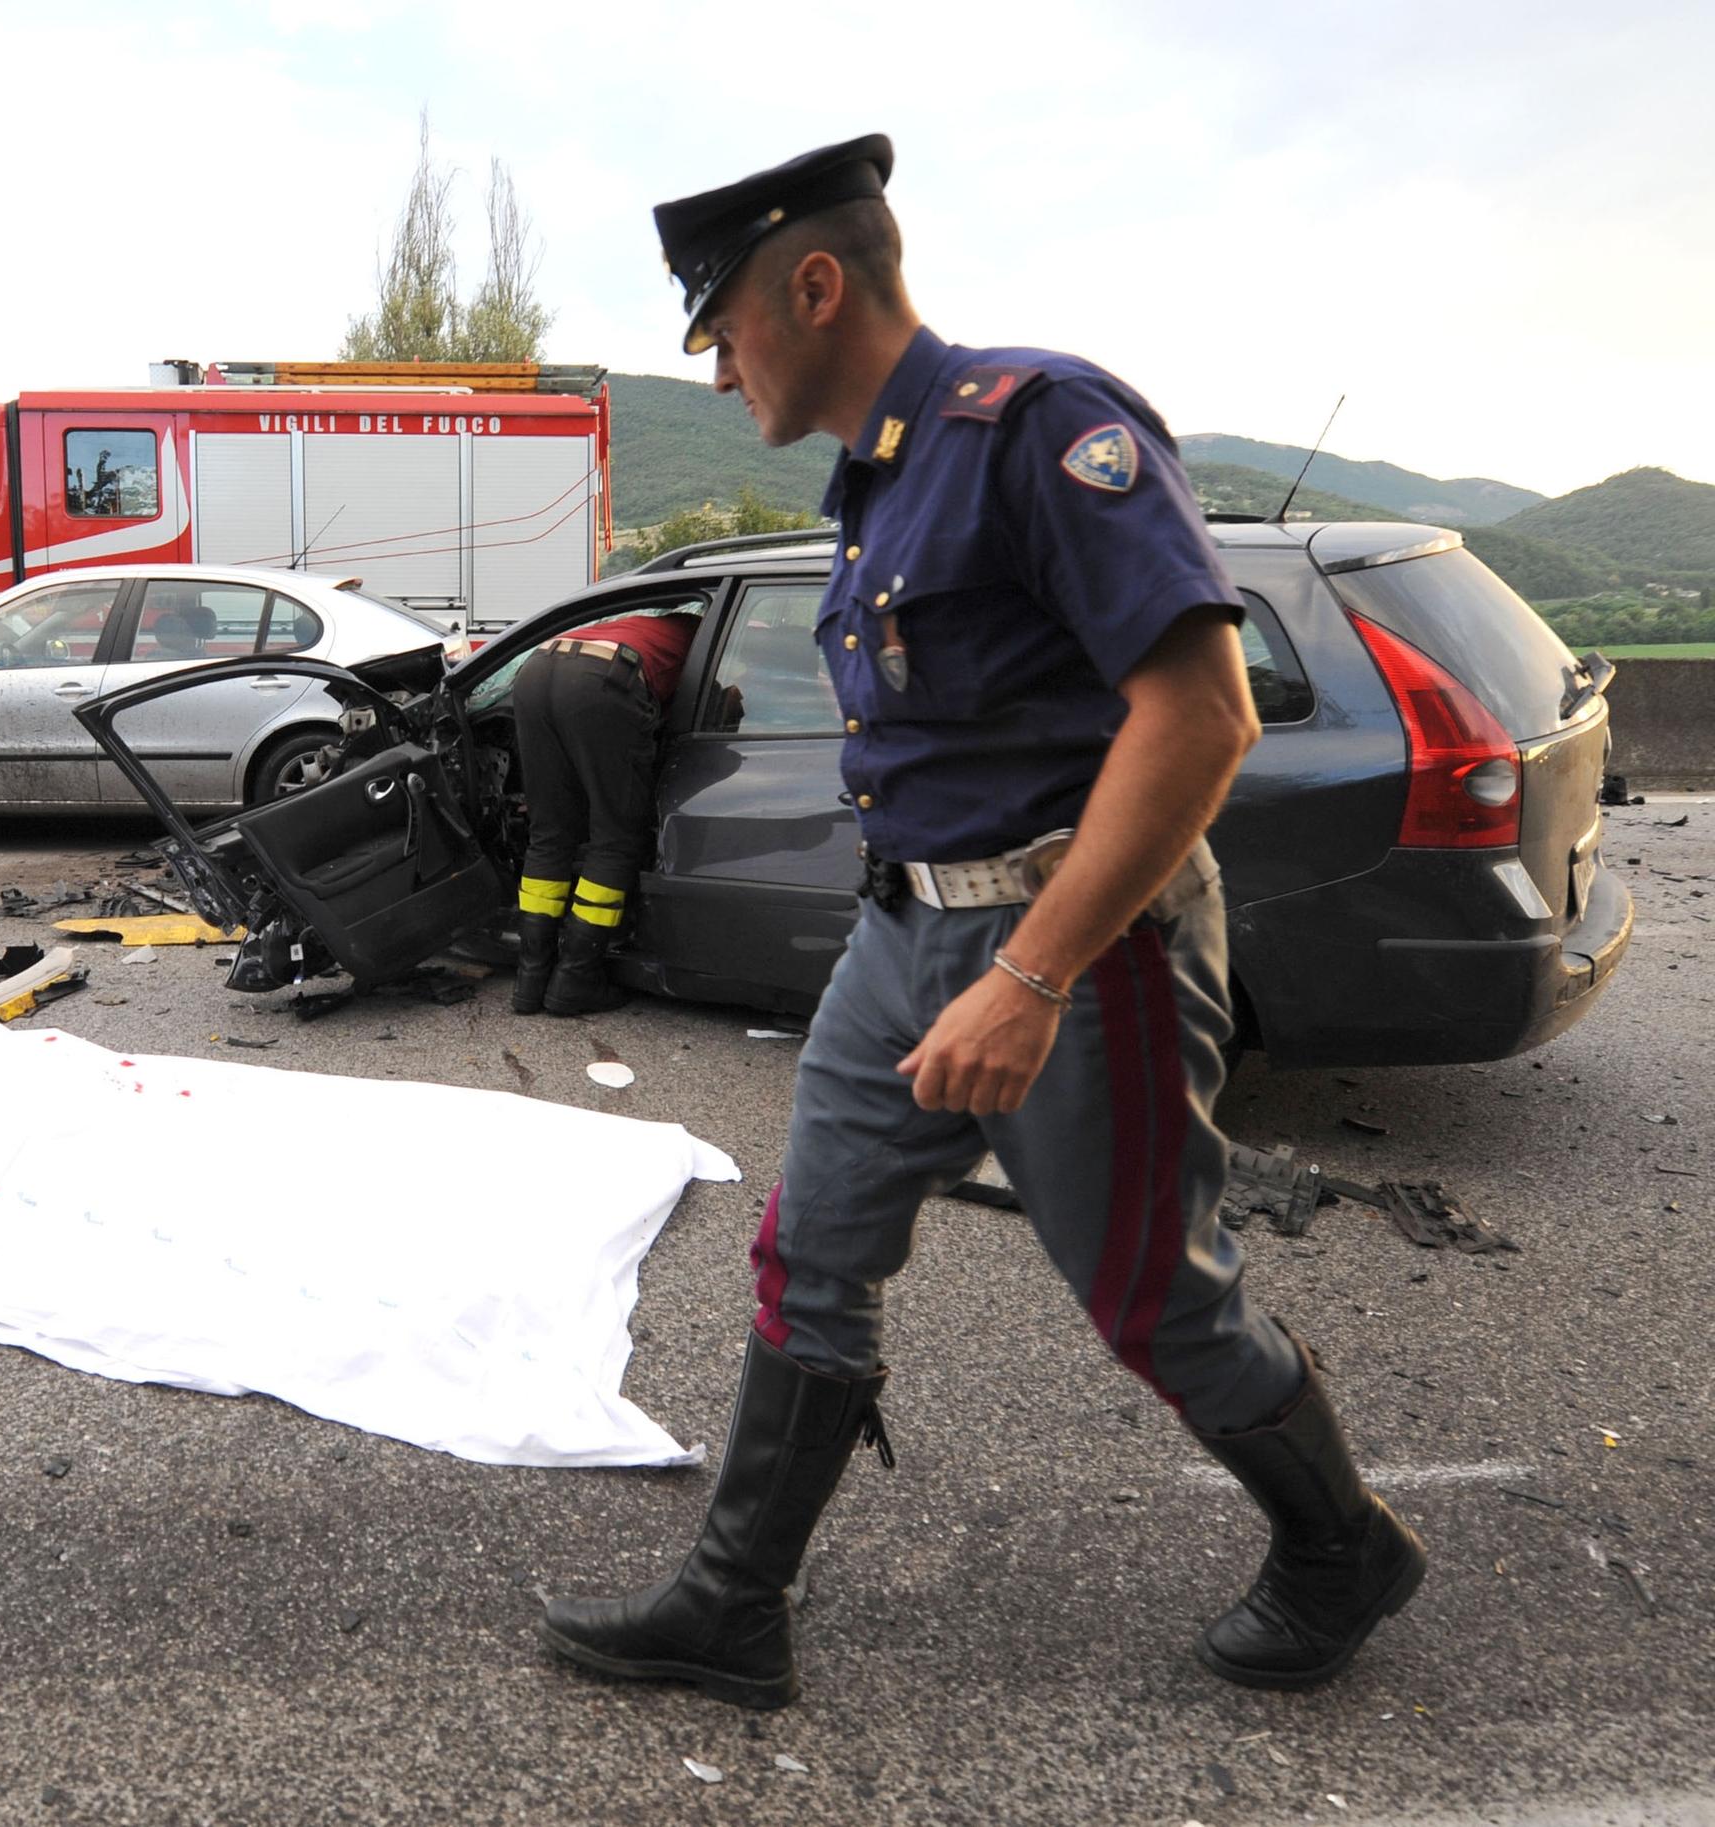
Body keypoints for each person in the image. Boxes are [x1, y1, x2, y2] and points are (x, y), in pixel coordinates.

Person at [539, 134, 1427, 1709]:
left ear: (815, 285)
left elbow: (1203, 719)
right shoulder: (881, 481)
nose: (719, 367)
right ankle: (736, 1606)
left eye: (725, 327)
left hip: (1083, 950)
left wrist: (1029, 972)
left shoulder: (1038, 428)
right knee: (808, 1252)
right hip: (906, 943)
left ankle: (1343, 1544)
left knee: (1157, 1294)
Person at [509, 603, 702, 1015]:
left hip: (536, 670)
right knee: (615, 839)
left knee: (549, 833)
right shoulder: (705, 637)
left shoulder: (649, 624)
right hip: (603, 680)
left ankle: (530, 983)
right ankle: (575, 980)